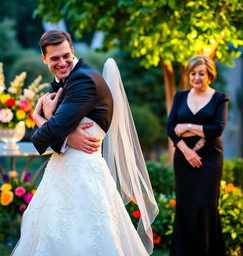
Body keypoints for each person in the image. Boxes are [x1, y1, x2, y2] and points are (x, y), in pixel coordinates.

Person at [12, 30, 158, 256]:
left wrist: (39, 117)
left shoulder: (83, 80)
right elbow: (59, 130)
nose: (62, 62)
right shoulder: (65, 80)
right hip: (64, 170)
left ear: (72, 51)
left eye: (65, 55)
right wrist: (65, 132)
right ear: (44, 59)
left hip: (83, 173)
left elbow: (43, 136)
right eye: (54, 58)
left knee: (86, 236)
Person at [167, 55, 228, 256]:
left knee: (205, 205)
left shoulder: (220, 98)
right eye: (193, 73)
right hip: (183, 159)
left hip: (210, 160)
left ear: (209, 74)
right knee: (185, 206)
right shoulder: (180, 97)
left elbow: (217, 128)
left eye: (201, 73)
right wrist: (186, 150)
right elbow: (170, 128)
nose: (196, 77)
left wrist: (187, 127)